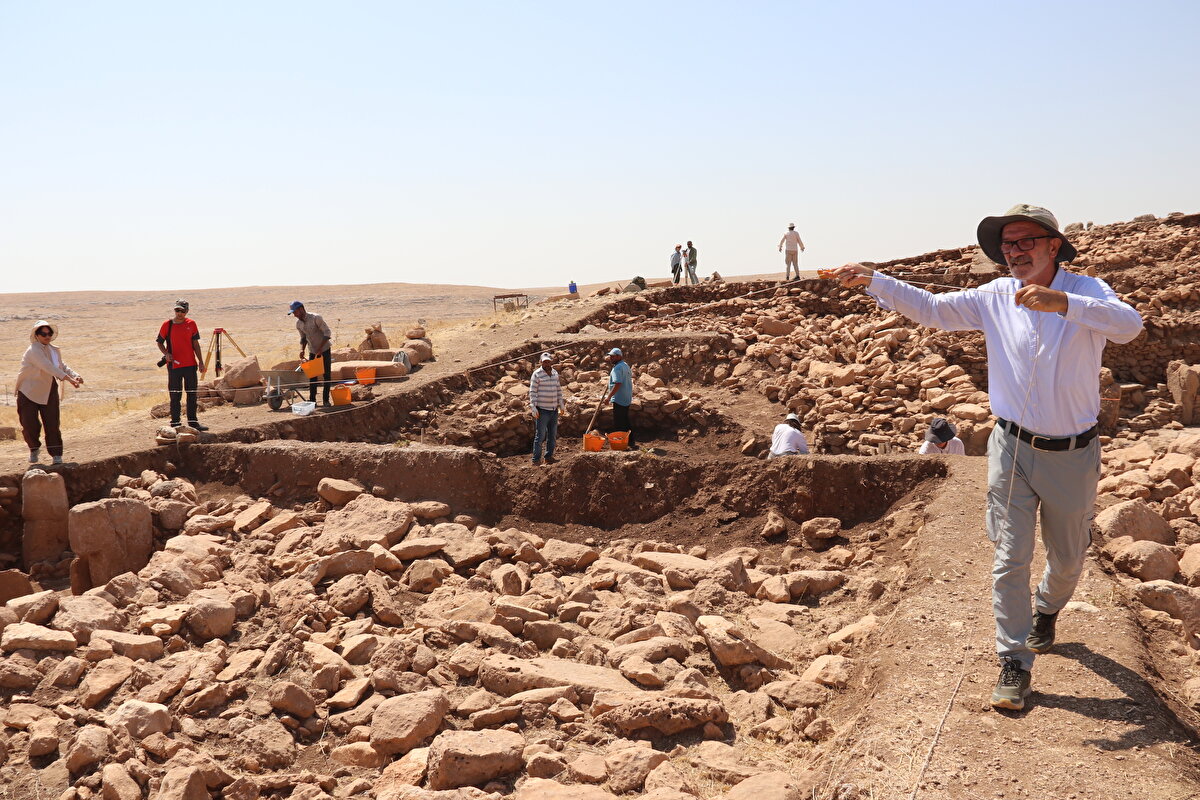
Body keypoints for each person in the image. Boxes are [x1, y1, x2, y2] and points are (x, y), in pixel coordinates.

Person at [832, 204, 1143, 711]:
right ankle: (1014, 661)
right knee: (1008, 558)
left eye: (1024, 243)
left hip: (1072, 454)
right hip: (1012, 447)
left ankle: (1047, 608)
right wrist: (875, 280)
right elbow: (932, 308)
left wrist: (1062, 303)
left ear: (1052, 246)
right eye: (1007, 246)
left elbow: (1129, 326)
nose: (1014, 253)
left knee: (1067, 560)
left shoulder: (1086, 291)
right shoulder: (994, 295)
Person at [16, 321, 83, 465]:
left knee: (52, 423)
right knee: (29, 424)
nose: (47, 336)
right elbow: (48, 367)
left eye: (49, 334)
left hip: (48, 390)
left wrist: (75, 375)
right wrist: (70, 380)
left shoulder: (53, 350)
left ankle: (56, 454)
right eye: (44, 334)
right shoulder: (33, 350)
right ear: (37, 335)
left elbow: (61, 366)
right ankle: (34, 449)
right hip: (28, 391)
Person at [156, 300, 208, 431]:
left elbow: (196, 345)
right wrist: (166, 353)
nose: (179, 313)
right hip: (174, 366)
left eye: (182, 311)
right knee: (175, 395)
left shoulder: (191, 324)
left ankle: (193, 422)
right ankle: (175, 423)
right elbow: (159, 342)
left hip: (190, 365)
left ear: (187, 311)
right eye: (177, 310)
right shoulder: (167, 325)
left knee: (192, 394)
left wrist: (201, 362)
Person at [290, 301, 333, 407]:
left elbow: (327, 333)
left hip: (325, 350)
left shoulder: (316, 318)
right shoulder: (298, 324)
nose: (294, 315)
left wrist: (320, 348)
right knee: (312, 376)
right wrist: (302, 349)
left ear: (301, 309)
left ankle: (326, 400)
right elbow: (303, 338)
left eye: (295, 312)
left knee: (326, 375)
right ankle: (312, 401)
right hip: (312, 351)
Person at [529, 352, 566, 465]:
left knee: (552, 435)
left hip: (554, 409)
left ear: (551, 362)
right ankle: (536, 460)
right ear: (541, 362)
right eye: (544, 361)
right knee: (540, 436)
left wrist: (561, 403)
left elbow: (558, 389)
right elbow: (533, 391)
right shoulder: (537, 374)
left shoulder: (554, 373)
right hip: (542, 410)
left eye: (548, 361)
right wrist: (533, 406)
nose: (547, 363)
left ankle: (548, 457)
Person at [603, 347, 633, 444]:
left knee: (619, 423)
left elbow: (618, 383)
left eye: (613, 356)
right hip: (626, 397)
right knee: (625, 421)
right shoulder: (625, 365)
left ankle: (621, 443)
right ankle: (631, 441)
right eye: (610, 356)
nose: (610, 358)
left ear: (619, 356)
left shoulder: (617, 368)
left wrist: (608, 397)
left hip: (619, 398)